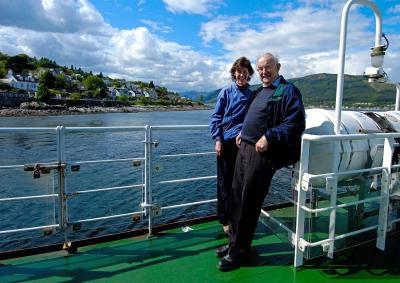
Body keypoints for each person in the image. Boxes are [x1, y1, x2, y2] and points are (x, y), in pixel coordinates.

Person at [216, 53, 306, 271]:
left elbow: (295, 123)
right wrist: (242, 133)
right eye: (261, 68)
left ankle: (239, 252)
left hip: (262, 153)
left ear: (278, 67)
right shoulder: (259, 91)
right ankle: (233, 243)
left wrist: (269, 136)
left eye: (268, 67)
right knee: (236, 199)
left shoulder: (287, 91)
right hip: (244, 148)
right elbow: (251, 117)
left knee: (249, 203)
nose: (264, 72)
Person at [209, 57, 254, 234]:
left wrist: (244, 131)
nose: (241, 75)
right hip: (226, 143)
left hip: (244, 143)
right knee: (225, 183)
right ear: (234, 73)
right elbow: (216, 117)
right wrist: (218, 139)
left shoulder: (252, 94)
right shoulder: (226, 92)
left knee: (242, 183)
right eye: (239, 71)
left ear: (249, 74)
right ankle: (225, 219)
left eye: (245, 72)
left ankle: (238, 217)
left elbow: (253, 119)